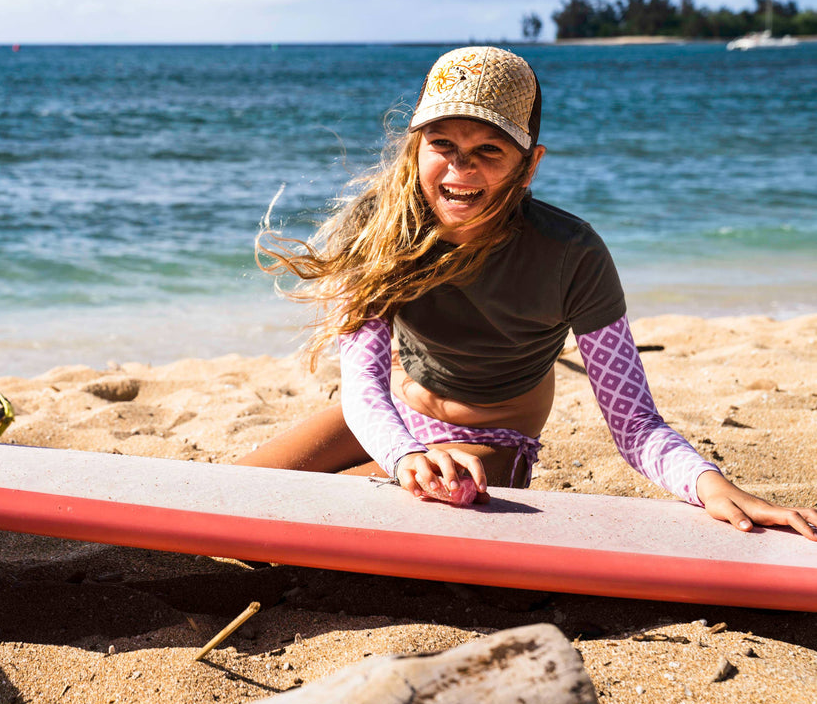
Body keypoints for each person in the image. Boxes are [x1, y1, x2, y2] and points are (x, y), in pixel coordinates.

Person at [239, 45, 817, 539]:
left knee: (325, 517)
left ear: (529, 164)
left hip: (493, 440)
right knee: (237, 490)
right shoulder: (383, 228)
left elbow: (634, 420)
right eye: (442, 144)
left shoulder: (572, 254)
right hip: (390, 419)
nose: (460, 169)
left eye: (489, 151)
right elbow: (363, 387)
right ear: (416, 147)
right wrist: (405, 453)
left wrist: (706, 482)